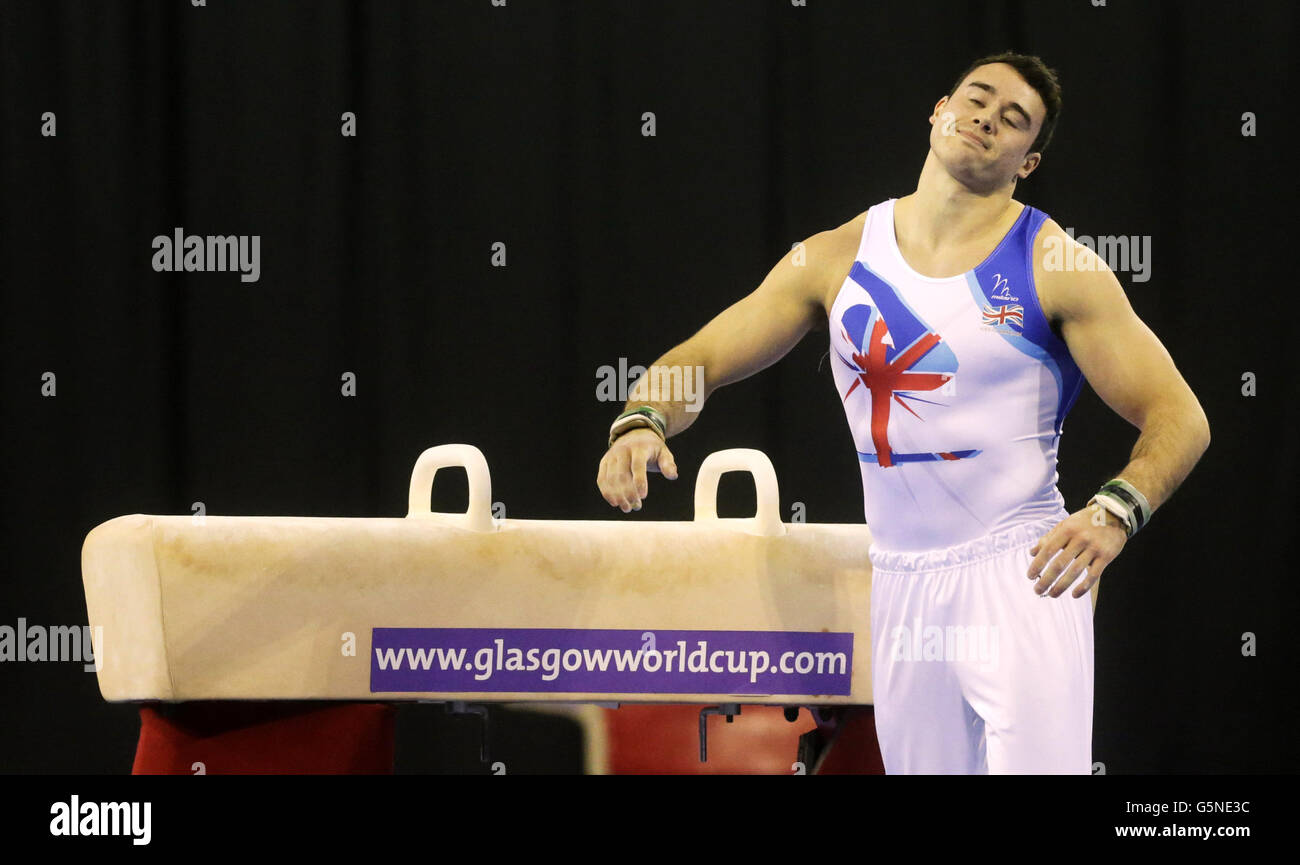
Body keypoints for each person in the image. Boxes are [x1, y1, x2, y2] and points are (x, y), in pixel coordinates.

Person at [595, 52, 1210, 774]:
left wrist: (1117, 509)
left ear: (1028, 161)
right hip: (903, 583)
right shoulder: (835, 257)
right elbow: (702, 357)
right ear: (938, 109)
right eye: (977, 98)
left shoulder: (1053, 263)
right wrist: (641, 419)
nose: (987, 117)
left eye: (1014, 119)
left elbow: (1180, 413)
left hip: (1021, 572)